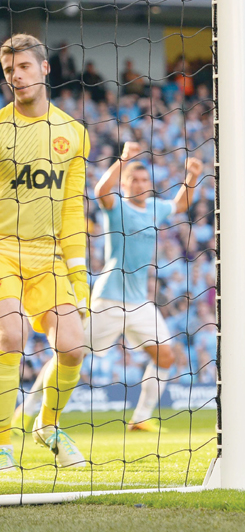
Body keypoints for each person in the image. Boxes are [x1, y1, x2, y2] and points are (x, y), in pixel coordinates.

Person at [17, 141, 203, 433]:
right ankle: (25, 412)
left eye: (144, 180)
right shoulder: (117, 208)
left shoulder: (155, 208)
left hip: (140, 302)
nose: (140, 184)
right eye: (134, 180)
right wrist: (123, 159)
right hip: (108, 300)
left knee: (166, 356)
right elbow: (101, 191)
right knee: (68, 351)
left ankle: (141, 418)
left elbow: (181, 203)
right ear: (126, 184)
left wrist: (191, 177)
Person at [0, 34, 90, 470]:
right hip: (2, 249)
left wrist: (79, 275)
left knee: (73, 346)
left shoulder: (73, 134)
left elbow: (73, 209)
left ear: (45, 68)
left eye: (24, 67)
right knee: (11, 334)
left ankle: (47, 427)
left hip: (49, 255)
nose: (16, 76)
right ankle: (1, 443)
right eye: (9, 71)